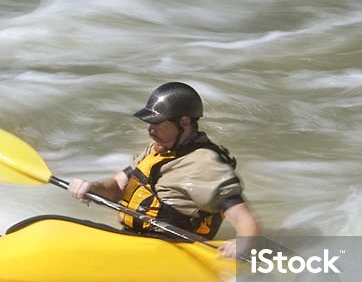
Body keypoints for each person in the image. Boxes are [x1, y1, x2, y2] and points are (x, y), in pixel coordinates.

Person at [67, 82, 260, 259]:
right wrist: (91, 188)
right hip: (134, 239)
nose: (150, 130)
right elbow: (118, 185)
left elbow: (244, 219)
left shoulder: (206, 165)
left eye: (158, 123)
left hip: (174, 250)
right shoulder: (158, 149)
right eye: (150, 123)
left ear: (184, 122)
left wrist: (244, 243)